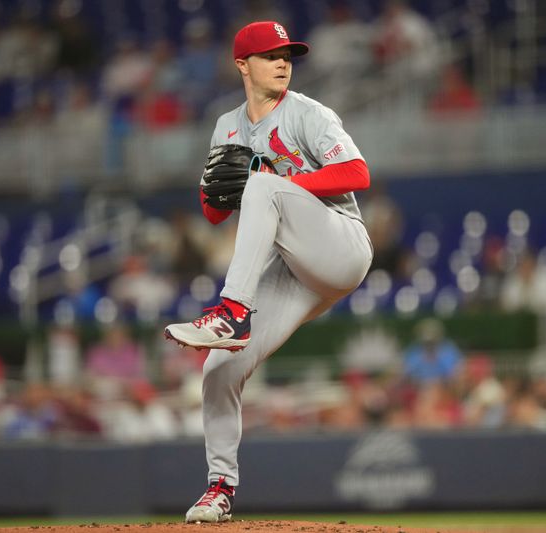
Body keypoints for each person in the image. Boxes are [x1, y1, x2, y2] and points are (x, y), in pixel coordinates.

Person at [163, 21, 373, 523]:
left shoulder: (309, 113)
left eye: (288, 54)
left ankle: (232, 312)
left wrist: (281, 181)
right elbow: (214, 211)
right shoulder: (226, 127)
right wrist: (218, 191)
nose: (283, 61)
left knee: (262, 186)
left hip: (340, 244)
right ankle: (219, 488)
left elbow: (357, 173)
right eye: (270, 54)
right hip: (292, 266)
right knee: (219, 370)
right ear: (242, 64)